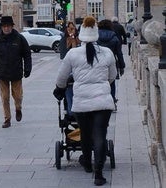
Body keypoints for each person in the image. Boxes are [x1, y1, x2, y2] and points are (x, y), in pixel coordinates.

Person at [53, 16, 117, 186]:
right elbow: (112, 77)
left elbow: (61, 79)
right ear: (96, 35)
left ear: (81, 35)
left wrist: (60, 89)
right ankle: (99, 173)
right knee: (100, 135)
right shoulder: (107, 53)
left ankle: (87, 163)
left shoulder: (73, 54)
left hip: (82, 102)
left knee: (86, 135)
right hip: (103, 102)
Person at [0, 16, 32, 128]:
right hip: (3, 73)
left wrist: (28, 68)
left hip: (16, 72)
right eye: (4, 26)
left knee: (17, 96)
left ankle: (18, 109)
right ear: (2, 27)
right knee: (5, 97)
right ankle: (7, 119)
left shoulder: (19, 38)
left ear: (12, 26)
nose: (7, 28)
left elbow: (27, 54)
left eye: (8, 26)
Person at [97, 19, 125, 112]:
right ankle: (112, 102)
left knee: (99, 82)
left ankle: (100, 102)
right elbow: (119, 53)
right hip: (111, 63)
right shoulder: (114, 38)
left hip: (98, 64)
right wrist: (122, 66)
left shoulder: (95, 37)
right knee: (111, 82)